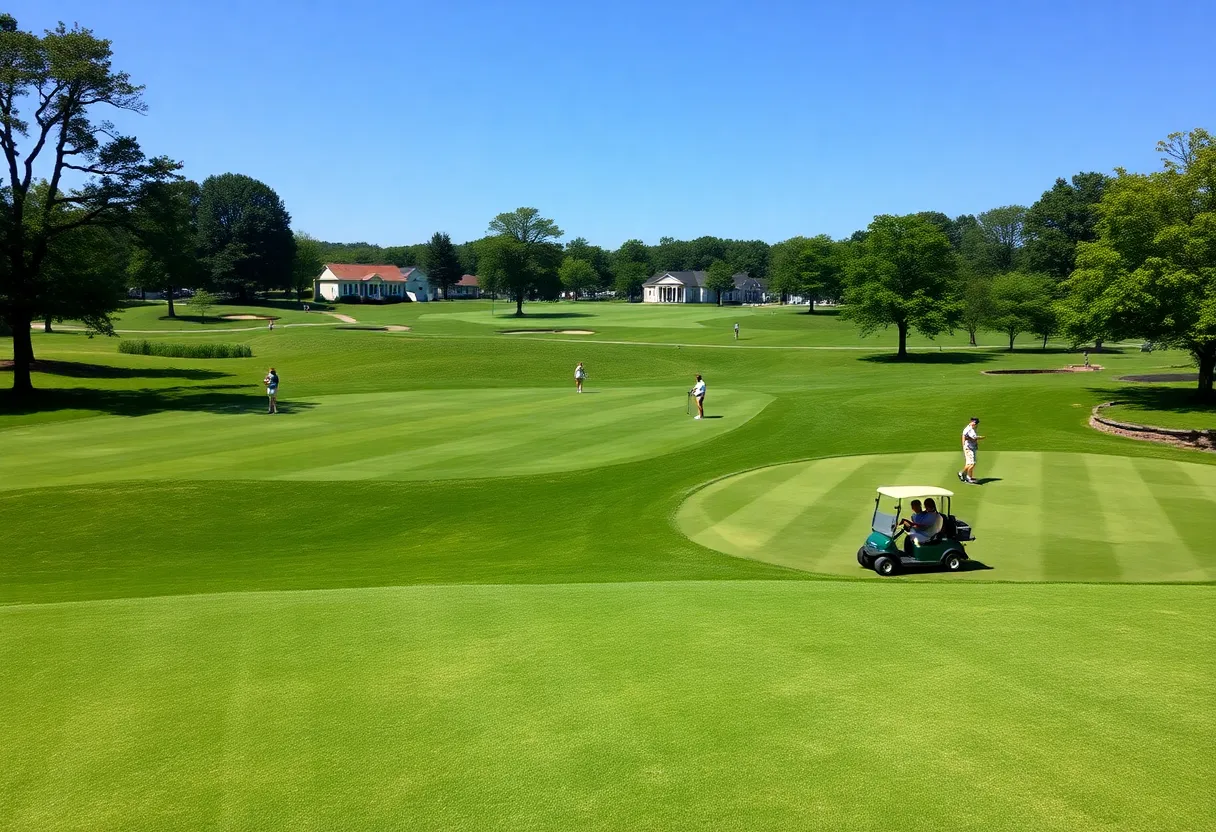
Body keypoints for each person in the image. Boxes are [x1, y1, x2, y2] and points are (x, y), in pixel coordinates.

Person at [958, 417, 983, 484]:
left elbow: (963, 436)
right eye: (974, 423)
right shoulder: (970, 430)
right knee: (972, 463)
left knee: (969, 463)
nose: (975, 424)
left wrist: (963, 445)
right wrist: (980, 438)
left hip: (970, 447)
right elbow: (973, 438)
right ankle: (962, 473)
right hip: (969, 448)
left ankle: (969, 477)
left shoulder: (969, 428)